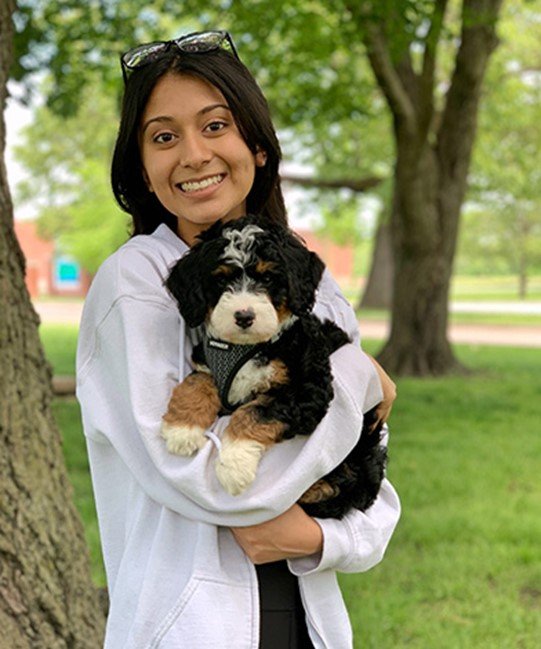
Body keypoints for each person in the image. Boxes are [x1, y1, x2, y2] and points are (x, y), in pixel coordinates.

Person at [76, 30, 400, 649]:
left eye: (215, 125)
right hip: (189, 627)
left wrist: (323, 538)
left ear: (255, 143)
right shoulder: (136, 281)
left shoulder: (312, 284)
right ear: (142, 171)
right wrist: (356, 375)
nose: (194, 154)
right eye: (164, 136)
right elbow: (197, 475)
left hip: (309, 621)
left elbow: (374, 473)